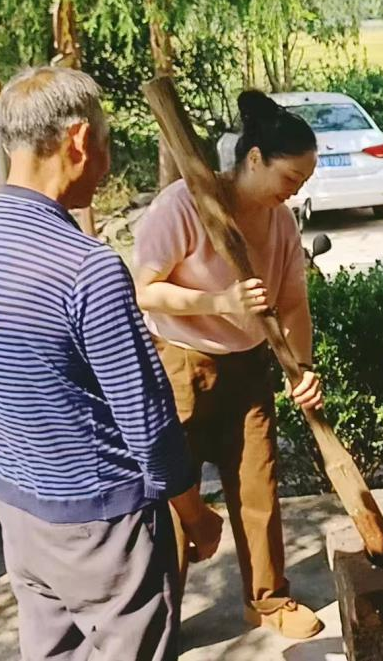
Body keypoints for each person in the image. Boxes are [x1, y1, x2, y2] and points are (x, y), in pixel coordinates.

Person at [0, 66, 221, 660]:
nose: (107, 161)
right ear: (79, 141)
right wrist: (193, 511)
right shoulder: (87, 269)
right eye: (107, 145)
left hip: (20, 510)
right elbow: (146, 419)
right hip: (105, 528)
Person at [133, 90, 326, 639]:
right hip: (182, 364)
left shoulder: (280, 222)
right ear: (255, 158)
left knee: (257, 483)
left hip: (248, 367)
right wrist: (217, 303)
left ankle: (266, 599)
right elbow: (146, 291)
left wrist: (301, 369)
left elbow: (292, 304)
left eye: (304, 181)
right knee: (175, 493)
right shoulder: (183, 204)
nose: (296, 190)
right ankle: (162, 616)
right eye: (291, 177)